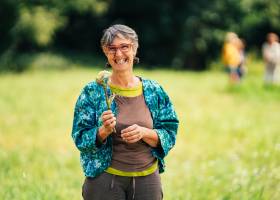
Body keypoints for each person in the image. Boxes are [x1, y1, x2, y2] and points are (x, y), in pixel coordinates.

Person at [71, 24, 179, 200]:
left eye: (124, 47)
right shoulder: (93, 92)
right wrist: (103, 131)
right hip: (104, 182)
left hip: (147, 182)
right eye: (112, 48)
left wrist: (144, 132)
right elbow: (80, 138)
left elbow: (170, 132)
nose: (118, 54)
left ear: (134, 49)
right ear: (105, 52)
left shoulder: (154, 90)